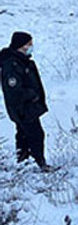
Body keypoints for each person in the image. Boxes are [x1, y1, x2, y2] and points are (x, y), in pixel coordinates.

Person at [0, 32, 52, 170]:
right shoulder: (12, 65)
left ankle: (23, 161)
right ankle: (39, 163)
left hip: (28, 107)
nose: (31, 47)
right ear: (20, 46)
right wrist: (32, 95)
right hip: (23, 108)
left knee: (23, 134)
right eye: (28, 44)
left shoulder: (23, 61)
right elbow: (14, 91)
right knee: (36, 134)